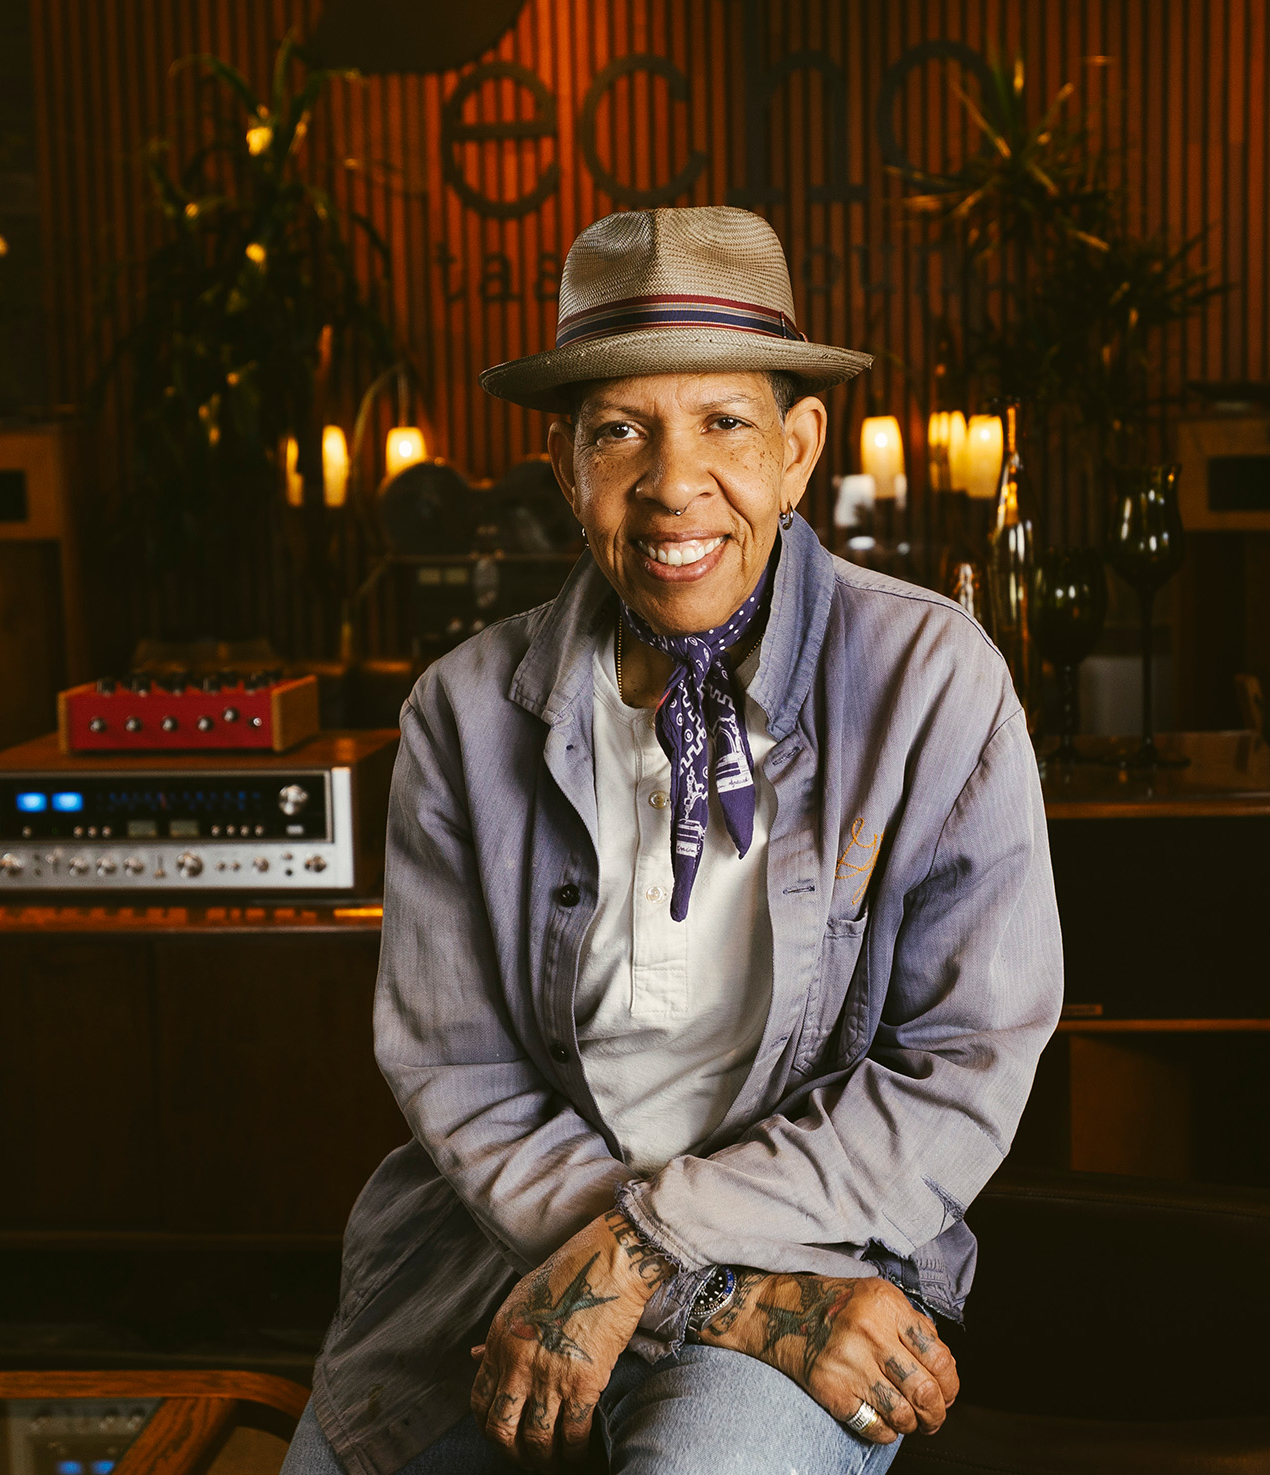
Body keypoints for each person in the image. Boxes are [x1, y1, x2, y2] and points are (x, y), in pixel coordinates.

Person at [283, 206, 1062, 1475]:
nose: (671, 483)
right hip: (500, 1254)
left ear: (798, 450)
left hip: (816, 1257)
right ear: (565, 467)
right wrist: (705, 1289)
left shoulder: (932, 679)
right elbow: (458, 1069)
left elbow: (959, 1066)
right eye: (619, 430)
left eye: (724, 423)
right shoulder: (460, 712)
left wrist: (646, 1248)